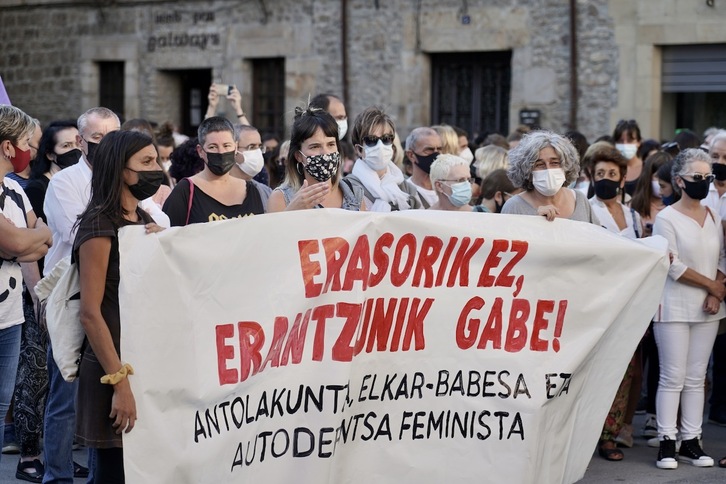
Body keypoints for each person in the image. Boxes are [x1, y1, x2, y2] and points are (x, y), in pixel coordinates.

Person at [74, 130, 165, 483]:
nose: (155, 168)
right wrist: (119, 384)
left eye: (156, 160)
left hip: (138, 362)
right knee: (112, 473)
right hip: (111, 367)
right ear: (119, 170)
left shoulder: (141, 221)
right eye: (146, 162)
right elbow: (90, 312)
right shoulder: (99, 225)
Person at [43, 106, 123, 483]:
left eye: (112, 137)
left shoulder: (123, 179)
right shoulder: (65, 182)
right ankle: (56, 476)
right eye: (97, 138)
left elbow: (162, 222)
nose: (106, 145)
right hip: (73, 297)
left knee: (101, 390)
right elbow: (82, 236)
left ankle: (95, 474)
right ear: (80, 142)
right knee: (65, 394)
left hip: (114, 297)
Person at [11, 120, 79, 482]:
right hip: (37, 291)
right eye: (66, 145)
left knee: (60, 380)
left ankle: (61, 456)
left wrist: (36, 236)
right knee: (36, 377)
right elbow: (30, 244)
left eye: (77, 142)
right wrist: (37, 291)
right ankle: (30, 456)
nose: (76, 149)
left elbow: (42, 235)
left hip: (56, 285)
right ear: (50, 153)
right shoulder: (36, 188)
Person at [652, 148, 725, 470]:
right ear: (679, 181)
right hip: (674, 306)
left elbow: (721, 257)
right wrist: (712, 286)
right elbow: (672, 265)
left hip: (708, 307)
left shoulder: (712, 214)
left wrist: (717, 291)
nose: (705, 182)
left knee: (696, 377)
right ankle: (667, 441)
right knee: (672, 376)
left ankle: (691, 440)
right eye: (698, 177)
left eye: (708, 177)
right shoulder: (665, 218)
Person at [0, 105, 52, 476]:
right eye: (27, 144)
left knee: (2, 397)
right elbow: (20, 243)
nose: (30, 152)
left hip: (11, 315)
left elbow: (41, 238)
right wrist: (23, 242)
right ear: (7, 147)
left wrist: (22, 242)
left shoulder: (15, 191)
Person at [582, 142, 642, 461]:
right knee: (594, 368)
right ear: (591, 177)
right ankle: (587, 431)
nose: (606, 178)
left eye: (612, 174)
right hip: (597, 301)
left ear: (622, 179)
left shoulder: (632, 213)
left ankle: (610, 434)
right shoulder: (586, 209)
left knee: (626, 369)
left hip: (630, 302)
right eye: (600, 173)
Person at [162, 116, 264, 225]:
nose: (221, 152)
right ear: (200, 151)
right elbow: (169, 235)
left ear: (235, 147)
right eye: (213, 147)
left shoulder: (251, 190)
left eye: (226, 145)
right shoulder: (185, 191)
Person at [268, 106, 364, 212]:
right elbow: (276, 228)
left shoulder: (355, 193)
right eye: (315, 146)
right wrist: (292, 211)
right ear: (298, 156)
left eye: (331, 144)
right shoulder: (281, 198)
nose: (325, 152)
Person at [501, 130, 599, 224]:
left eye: (555, 163)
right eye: (539, 164)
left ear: (566, 167)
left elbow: (598, 237)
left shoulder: (580, 200)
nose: (548, 169)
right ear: (528, 172)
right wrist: (534, 222)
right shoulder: (514, 207)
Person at [338, 107, 418, 212]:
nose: (380, 146)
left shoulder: (406, 187)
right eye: (371, 140)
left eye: (386, 139)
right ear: (358, 149)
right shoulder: (347, 188)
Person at [229, 124, 272, 211]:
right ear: (234, 149)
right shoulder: (217, 190)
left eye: (259, 147)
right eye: (251, 147)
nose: (257, 152)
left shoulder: (265, 192)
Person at [404, 127, 443, 208]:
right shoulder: (404, 192)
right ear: (411, 155)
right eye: (429, 150)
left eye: (439, 149)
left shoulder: (448, 189)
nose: (436, 155)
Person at [613, 119, 643, 196]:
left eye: (630, 141)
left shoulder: (647, 168)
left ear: (638, 142)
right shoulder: (610, 168)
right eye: (620, 141)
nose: (625, 145)